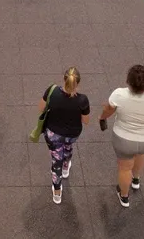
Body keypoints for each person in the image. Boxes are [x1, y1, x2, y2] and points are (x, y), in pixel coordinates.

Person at [99, 65, 144, 208]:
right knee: (139, 155)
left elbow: (108, 110)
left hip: (123, 139)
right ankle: (136, 180)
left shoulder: (119, 94)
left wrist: (101, 117)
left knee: (125, 167)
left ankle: (124, 196)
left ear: (128, 80)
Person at [40, 67, 90, 204]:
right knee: (68, 147)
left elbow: (41, 108)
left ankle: (57, 192)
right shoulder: (82, 100)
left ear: (64, 79)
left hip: (53, 134)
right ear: (77, 83)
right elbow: (86, 121)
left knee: (56, 160)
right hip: (72, 133)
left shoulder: (52, 91)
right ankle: (66, 166)